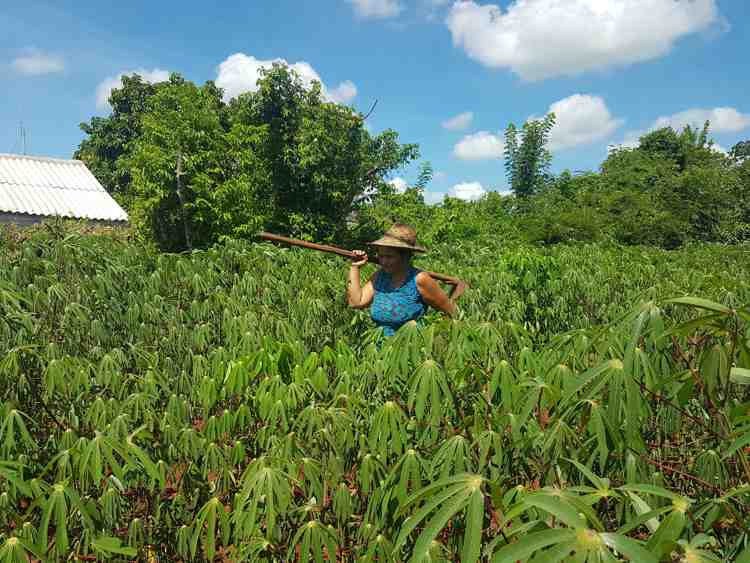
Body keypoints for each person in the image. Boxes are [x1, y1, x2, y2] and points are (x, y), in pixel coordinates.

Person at [347, 224, 457, 337]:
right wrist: (355, 267)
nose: (383, 262)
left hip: (410, 348)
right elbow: (356, 302)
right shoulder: (379, 277)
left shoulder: (420, 279)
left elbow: (451, 313)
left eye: (389, 257)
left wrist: (437, 339)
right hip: (379, 349)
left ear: (405, 256)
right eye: (381, 256)